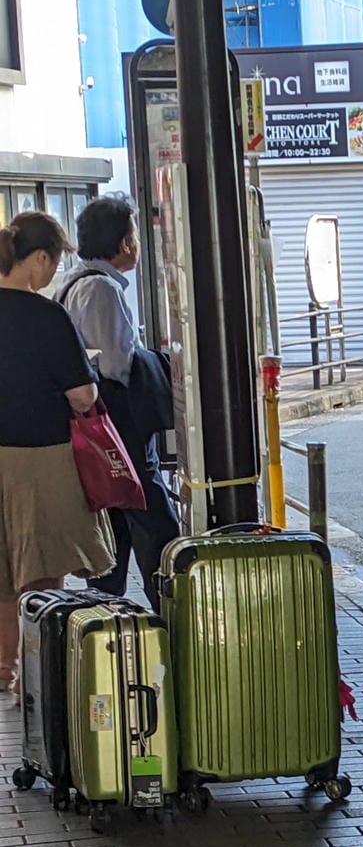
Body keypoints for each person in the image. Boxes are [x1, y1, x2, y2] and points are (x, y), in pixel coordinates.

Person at [0, 212, 114, 694]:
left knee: (3, 571)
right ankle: (43, 675)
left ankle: (2, 671)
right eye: (53, 262)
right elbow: (83, 396)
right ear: (38, 258)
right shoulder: (45, 316)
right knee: (43, 570)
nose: (52, 274)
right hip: (40, 456)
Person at [57, 194, 178, 607]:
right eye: (135, 236)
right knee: (153, 516)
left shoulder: (76, 282)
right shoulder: (100, 290)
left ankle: (109, 603)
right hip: (119, 424)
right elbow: (115, 363)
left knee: (117, 519)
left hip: (102, 423)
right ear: (124, 243)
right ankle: (169, 601)